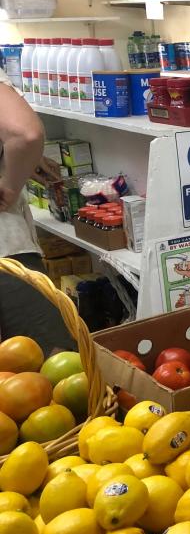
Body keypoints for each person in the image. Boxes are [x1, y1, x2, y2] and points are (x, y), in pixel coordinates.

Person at [0, 66, 75, 352]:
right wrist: (10, 185)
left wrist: (20, 161)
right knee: (49, 359)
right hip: (6, 252)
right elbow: (26, 134)